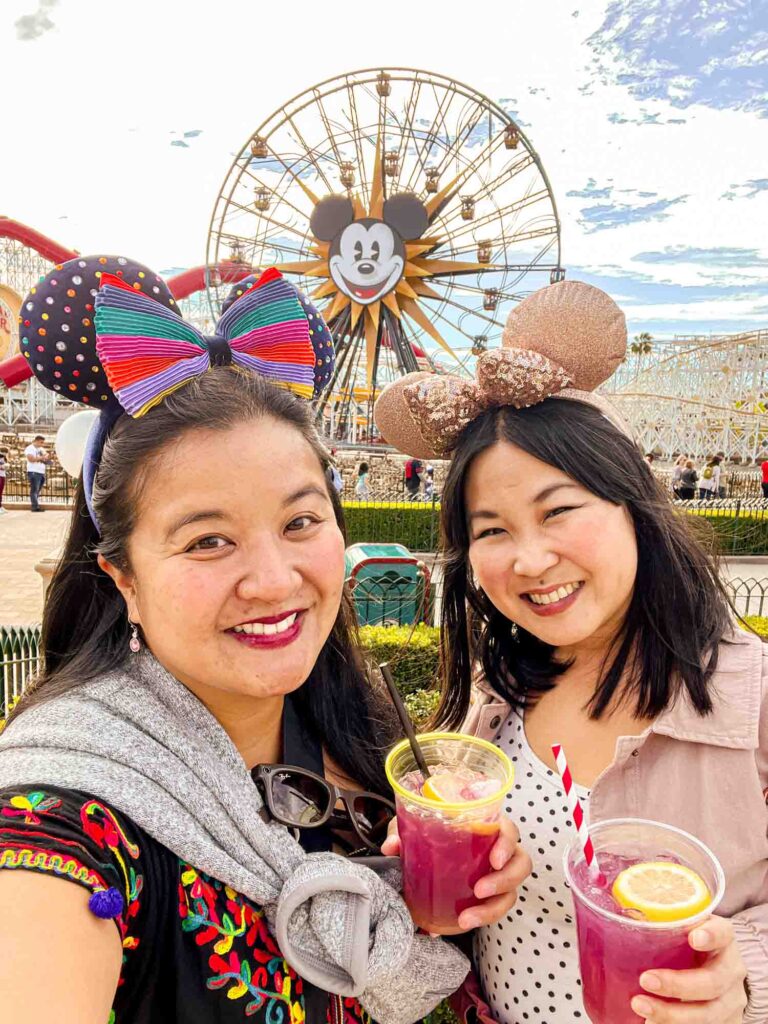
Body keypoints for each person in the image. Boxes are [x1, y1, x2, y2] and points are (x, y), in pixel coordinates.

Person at [0, 257, 528, 1024]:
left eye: (300, 522)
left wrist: (420, 900)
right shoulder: (66, 817)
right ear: (123, 578)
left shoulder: (349, 712)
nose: (276, 581)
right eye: (208, 541)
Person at [375, 281, 765, 1024]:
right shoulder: (502, 691)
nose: (527, 560)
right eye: (491, 531)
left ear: (634, 506)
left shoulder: (753, 697)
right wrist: (436, 863)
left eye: (558, 512)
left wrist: (740, 977)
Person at [24, 433, 48, 511]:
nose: (42, 444)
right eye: (41, 442)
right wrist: (42, 457)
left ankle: (35, 505)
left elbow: (46, 458)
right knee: (34, 490)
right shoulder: (30, 448)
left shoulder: (41, 449)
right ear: (36, 441)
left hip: (41, 472)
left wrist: (46, 458)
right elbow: (31, 459)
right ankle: (35, 507)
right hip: (34, 471)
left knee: (37, 490)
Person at [0, 447, 7, 514]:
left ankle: (0, 506)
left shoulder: (4, 457)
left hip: (2, 475)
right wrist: (2, 467)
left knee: (1, 492)